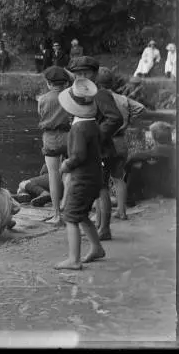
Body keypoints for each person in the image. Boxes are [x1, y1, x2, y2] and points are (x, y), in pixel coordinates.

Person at [67, 56, 124, 241]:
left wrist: (96, 136)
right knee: (98, 188)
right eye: (78, 74)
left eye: (86, 73)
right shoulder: (82, 93)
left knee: (102, 189)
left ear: (95, 74)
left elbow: (115, 118)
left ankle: (104, 228)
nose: (81, 77)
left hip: (101, 149)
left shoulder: (100, 94)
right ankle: (100, 226)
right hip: (93, 149)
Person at [54, 78, 106, 270]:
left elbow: (78, 155)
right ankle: (96, 248)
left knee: (70, 217)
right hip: (95, 176)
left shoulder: (78, 128)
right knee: (82, 214)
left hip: (82, 179)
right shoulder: (92, 123)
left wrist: (66, 164)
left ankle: (73, 259)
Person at [96, 67, 147, 220]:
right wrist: (129, 120)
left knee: (102, 183)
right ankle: (122, 211)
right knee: (119, 178)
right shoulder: (122, 98)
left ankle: (101, 218)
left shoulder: (98, 98)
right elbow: (140, 108)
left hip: (106, 142)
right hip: (120, 140)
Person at [37, 65, 72, 225]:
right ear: (65, 83)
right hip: (69, 137)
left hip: (50, 138)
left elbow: (41, 114)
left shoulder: (43, 99)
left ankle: (57, 214)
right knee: (70, 171)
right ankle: (66, 203)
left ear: (49, 83)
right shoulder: (70, 96)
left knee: (53, 174)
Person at [124, 121, 177, 203]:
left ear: (155, 136)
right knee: (145, 164)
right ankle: (136, 195)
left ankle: (128, 197)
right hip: (175, 187)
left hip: (169, 189)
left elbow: (133, 157)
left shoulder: (161, 149)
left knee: (136, 166)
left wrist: (126, 168)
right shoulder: (173, 149)